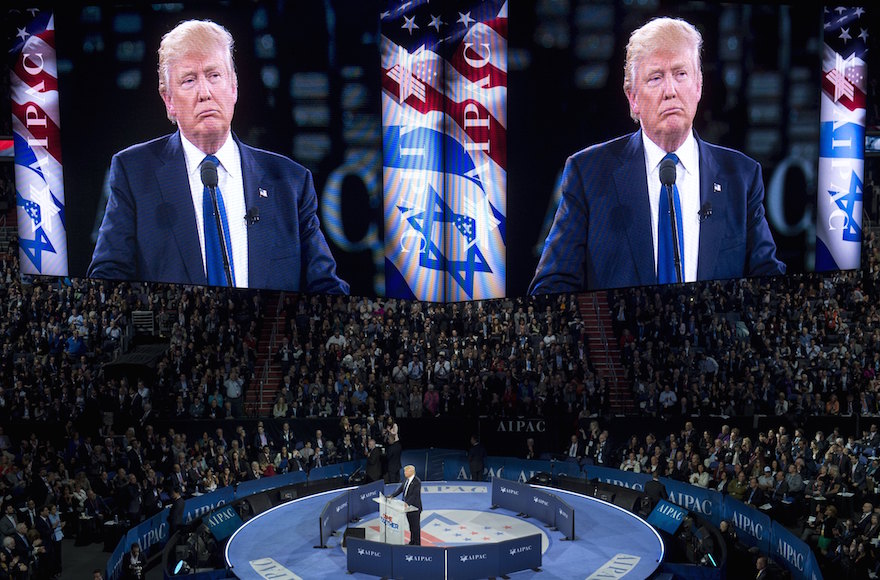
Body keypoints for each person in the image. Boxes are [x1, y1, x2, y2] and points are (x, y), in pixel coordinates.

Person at [88, 19, 348, 294]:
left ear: (234, 88)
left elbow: (325, 286)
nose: (205, 93)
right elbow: (108, 280)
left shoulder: (290, 182)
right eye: (189, 80)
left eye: (214, 76)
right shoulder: (135, 173)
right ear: (169, 101)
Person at [530, 17, 784, 294]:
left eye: (681, 74)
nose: (670, 91)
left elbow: (768, 281)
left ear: (698, 86)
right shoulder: (588, 174)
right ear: (633, 98)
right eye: (656, 77)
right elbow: (551, 287)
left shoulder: (741, 176)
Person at [388, 465, 422, 545]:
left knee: (415, 527)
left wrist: (407, 503)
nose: (404, 473)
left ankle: (417, 543)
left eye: (406, 471)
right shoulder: (406, 479)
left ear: (411, 472)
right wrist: (392, 496)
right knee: (411, 526)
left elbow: (415, 495)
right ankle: (412, 541)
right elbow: (400, 489)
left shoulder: (417, 482)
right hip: (407, 508)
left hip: (414, 508)